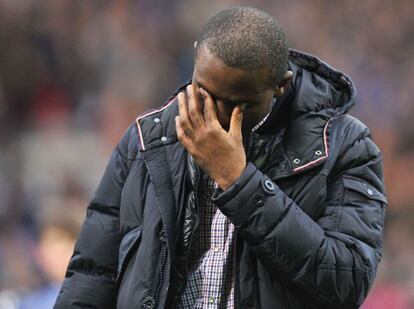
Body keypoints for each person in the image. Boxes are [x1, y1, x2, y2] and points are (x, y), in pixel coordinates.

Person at [54, 7, 387, 309]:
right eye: (204, 92)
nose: (215, 114)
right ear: (197, 58)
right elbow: (92, 273)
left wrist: (240, 182)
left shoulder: (344, 145)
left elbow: (347, 283)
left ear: (280, 86)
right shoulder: (149, 137)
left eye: (237, 102)